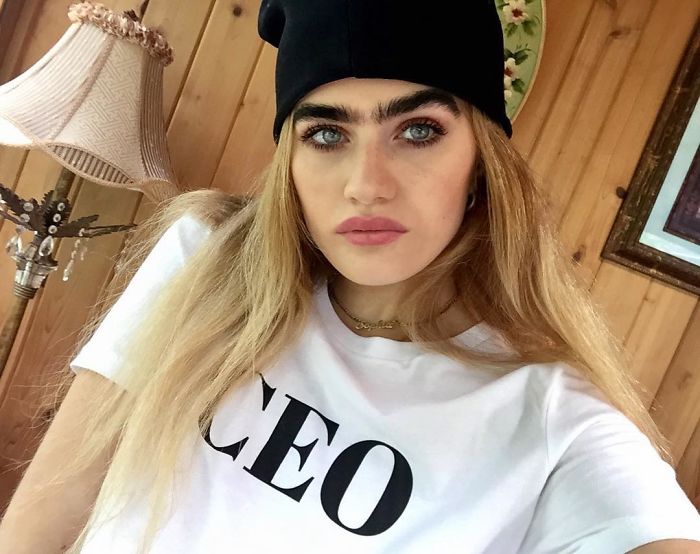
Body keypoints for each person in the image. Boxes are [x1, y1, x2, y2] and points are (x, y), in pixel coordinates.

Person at [1, 1, 700, 553]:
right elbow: (43, 519)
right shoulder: (207, 258)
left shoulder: (549, 420)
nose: (366, 184)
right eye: (327, 134)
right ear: (292, 161)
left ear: (482, 163)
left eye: (418, 131)